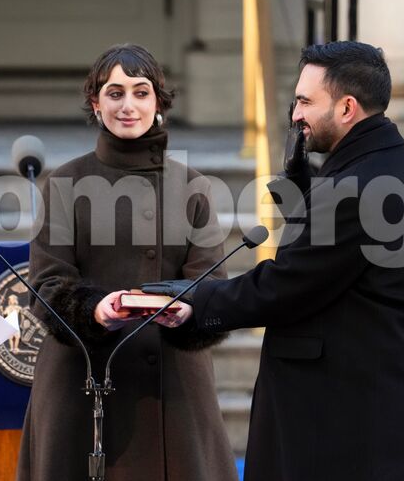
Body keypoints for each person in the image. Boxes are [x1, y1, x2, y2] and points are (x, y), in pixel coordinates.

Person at [144, 41, 404, 481]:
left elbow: (289, 283)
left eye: (304, 101)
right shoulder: (379, 165)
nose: (295, 114)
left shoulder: (357, 187)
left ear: (347, 108)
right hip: (351, 406)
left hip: (341, 419)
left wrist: (198, 301)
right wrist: (299, 185)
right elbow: (328, 261)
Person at [17, 44, 238, 481]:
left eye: (140, 92)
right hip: (81, 383)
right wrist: (95, 311)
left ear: (159, 102)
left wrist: (188, 310)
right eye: (115, 94)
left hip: (171, 389)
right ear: (95, 104)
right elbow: (46, 286)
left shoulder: (193, 186)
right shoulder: (64, 183)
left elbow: (212, 285)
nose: (128, 106)